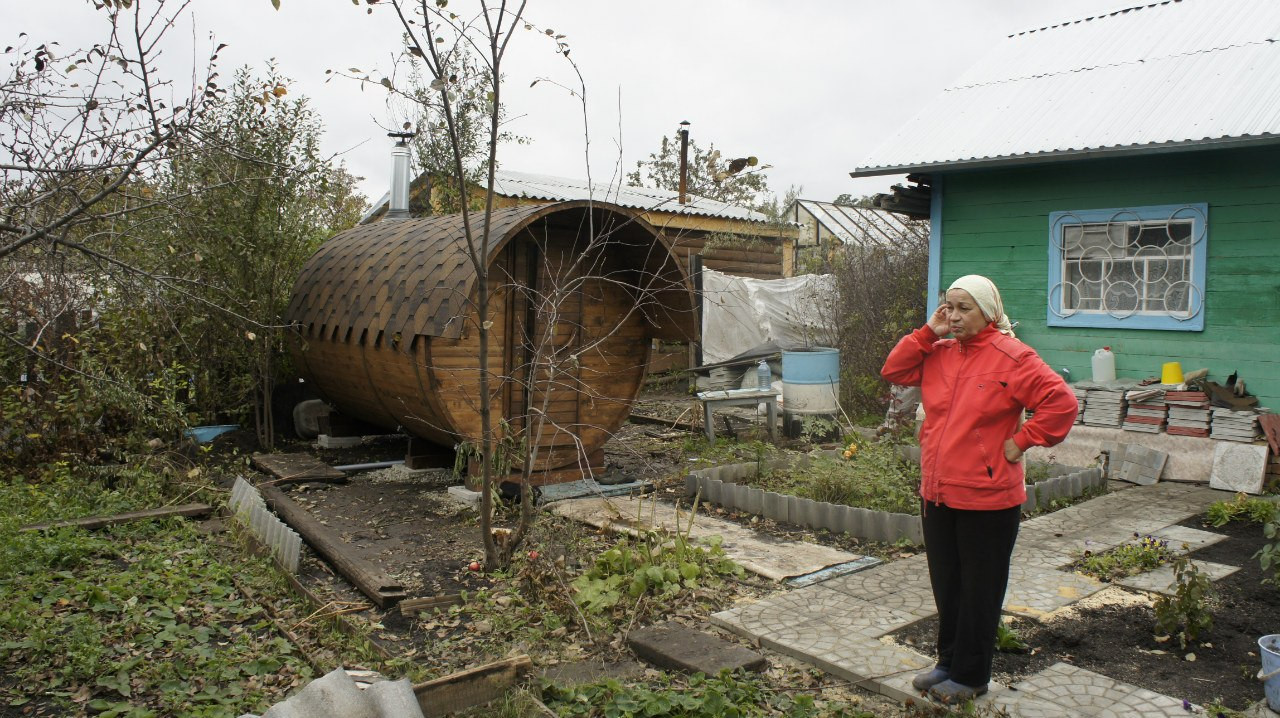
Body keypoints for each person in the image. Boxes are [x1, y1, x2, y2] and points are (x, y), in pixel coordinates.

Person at [880, 274, 1077, 703]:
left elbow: (1062, 404)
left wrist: (1021, 441)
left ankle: (971, 676)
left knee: (979, 590)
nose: (953, 315)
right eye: (948, 306)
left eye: (963, 308)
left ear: (988, 311)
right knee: (947, 584)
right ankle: (948, 662)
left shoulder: (1013, 357)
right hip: (938, 490)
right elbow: (894, 369)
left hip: (988, 497)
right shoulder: (940, 352)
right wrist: (927, 332)